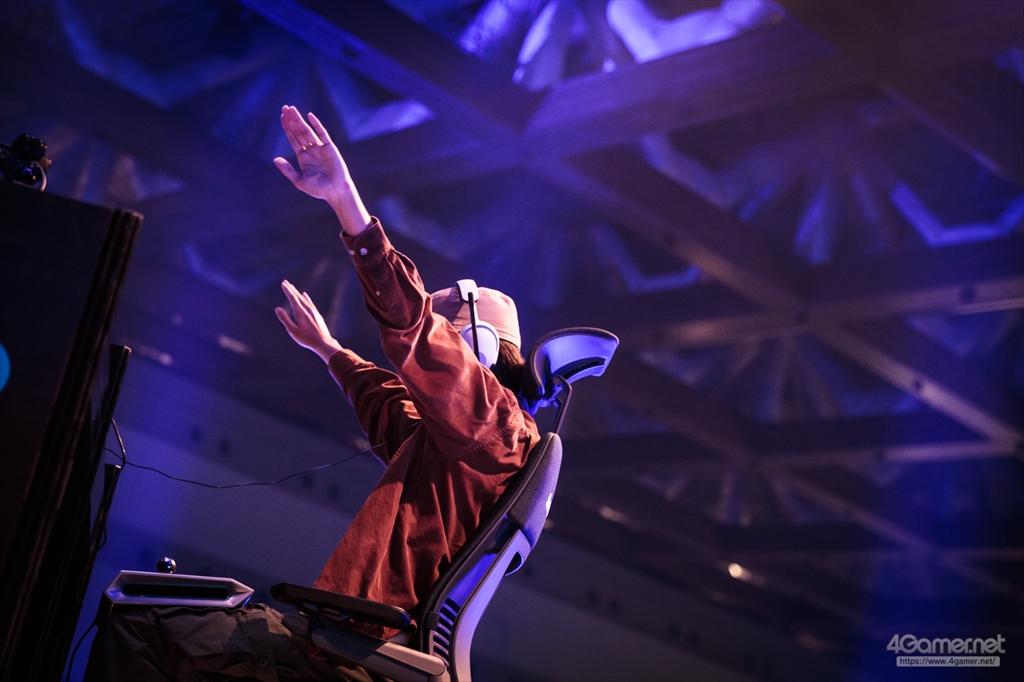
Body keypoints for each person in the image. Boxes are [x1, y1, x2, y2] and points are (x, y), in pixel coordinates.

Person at [83, 105, 538, 680]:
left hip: (350, 655)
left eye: (446, 329)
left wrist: (347, 202)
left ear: (477, 348)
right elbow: (390, 408)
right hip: (356, 648)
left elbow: (411, 325)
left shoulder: (491, 423)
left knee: (141, 626)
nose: (433, 340)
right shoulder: (470, 443)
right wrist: (329, 350)